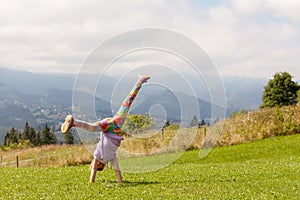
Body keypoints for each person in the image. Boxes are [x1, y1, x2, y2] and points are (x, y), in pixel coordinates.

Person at [61, 75, 150, 183]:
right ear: (100, 164)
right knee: (93, 126)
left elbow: (115, 171)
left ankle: (75, 123)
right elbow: (105, 170)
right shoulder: (105, 155)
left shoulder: (104, 155)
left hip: (113, 127)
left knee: (127, 103)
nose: (95, 164)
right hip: (111, 126)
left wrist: (118, 181)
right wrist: (93, 181)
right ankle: (75, 123)